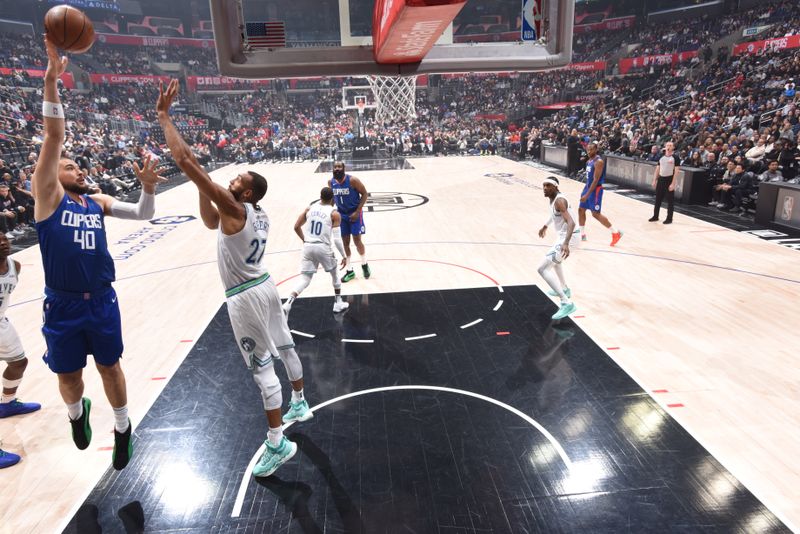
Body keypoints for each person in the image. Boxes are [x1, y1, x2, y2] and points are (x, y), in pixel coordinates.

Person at [156, 80, 310, 478]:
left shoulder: (236, 204)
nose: (234, 179)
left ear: (247, 191)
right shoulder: (257, 213)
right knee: (285, 344)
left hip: (244, 296)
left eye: (239, 178)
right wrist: (202, 188)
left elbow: (186, 160)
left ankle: (277, 443)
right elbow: (210, 222)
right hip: (265, 285)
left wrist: (164, 116)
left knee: (261, 369)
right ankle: (300, 401)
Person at [33, 36, 168, 471]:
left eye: (79, 165)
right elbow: (55, 135)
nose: (79, 169)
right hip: (62, 303)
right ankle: (77, 414)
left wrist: (148, 187)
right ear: (53, 172)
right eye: (71, 165)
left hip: (102, 300)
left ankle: (124, 427)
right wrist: (53, 77)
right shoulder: (48, 196)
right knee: (69, 377)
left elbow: (145, 215)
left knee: (110, 367)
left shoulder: (98, 201)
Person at [283, 186, 349, 317]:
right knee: (335, 274)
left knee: (305, 279)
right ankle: (338, 303)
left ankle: (288, 302)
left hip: (308, 247)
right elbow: (337, 240)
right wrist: (344, 255)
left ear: (320, 197)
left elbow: (296, 227)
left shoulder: (309, 208)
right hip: (323, 247)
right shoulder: (334, 213)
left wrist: (305, 240)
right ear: (333, 199)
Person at [0, 233, 40, 426]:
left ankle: (7, 403)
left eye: (4, 239)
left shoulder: (15, 266)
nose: (3, 243)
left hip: (1, 322)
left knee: (18, 363)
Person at [537, 176, 579, 321]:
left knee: (542, 269)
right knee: (556, 262)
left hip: (570, 237)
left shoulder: (560, 201)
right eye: (543, 185)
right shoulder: (554, 200)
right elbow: (554, 215)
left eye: (548, 185)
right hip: (565, 236)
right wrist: (545, 226)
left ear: (556, 187)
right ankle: (565, 289)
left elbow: (571, 222)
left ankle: (566, 302)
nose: (545, 188)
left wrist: (566, 243)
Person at [330, 161, 370, 282]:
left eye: (339, 167)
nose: (337, 169)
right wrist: (328, 210)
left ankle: (364, 264)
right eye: (335, 167)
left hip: (354, 213)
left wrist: (357, 212)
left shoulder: (353, 180)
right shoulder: (331, 182)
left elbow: (364, 194)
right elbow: (333, 198)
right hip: (341, 215)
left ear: (344, 168)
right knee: (345, 243)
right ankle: (350, 270)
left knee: (357, 242)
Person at [578, 143, 622, 246]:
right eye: (588, 149)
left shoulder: (599, 162)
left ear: (596, 150)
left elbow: (595, 180)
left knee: (595, 214)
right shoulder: (589, 161)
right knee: (581, 209)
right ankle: (582, 234)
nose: (589, 151)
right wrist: (585, 190)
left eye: (591, 150)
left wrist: (587, 195)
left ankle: (615, 232)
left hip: (595, 190)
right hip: (588, 188)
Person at [649, 141, 680, 224]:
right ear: (665, 147)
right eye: (667, 145)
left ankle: (669, 218)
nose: (669, 147)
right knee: (658, 199)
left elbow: (676, 171)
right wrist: (654, 180)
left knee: (670, 201)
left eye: (670, 145)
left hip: (669, 180)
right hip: (661, 179)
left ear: (673, 147)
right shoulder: (661, 157)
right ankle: (655, 216)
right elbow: (657, 169)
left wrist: (673, 183)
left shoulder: (675, 157)